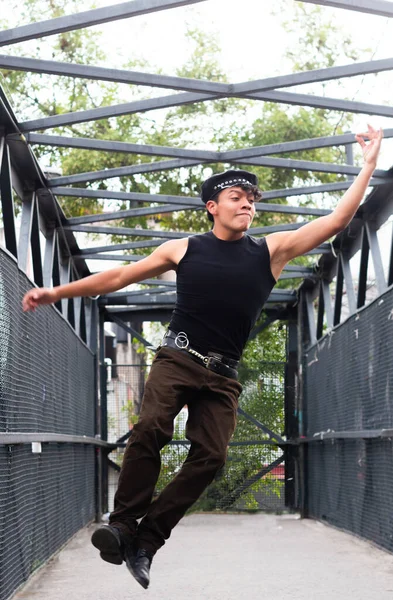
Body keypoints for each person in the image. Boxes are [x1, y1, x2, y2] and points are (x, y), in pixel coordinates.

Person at [22, 124, 383, 589]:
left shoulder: (270, 252)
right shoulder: (183, 248)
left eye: (253, 200)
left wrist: (368, 163)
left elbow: (335, 221)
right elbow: (120, 277)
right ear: (213, 206)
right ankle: (122, 524)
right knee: (151, 428)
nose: (248, 205)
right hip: (177, 359)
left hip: (222, 376)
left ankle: (147, 542)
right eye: (237, 197)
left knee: (211, 456)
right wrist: (57, 291)